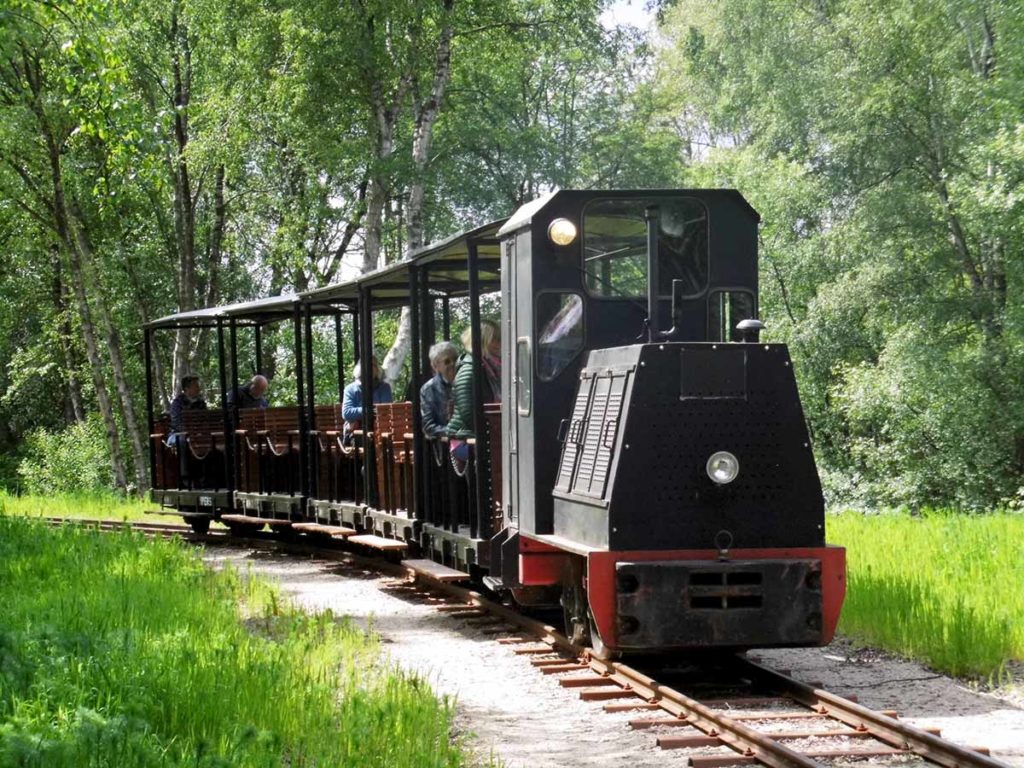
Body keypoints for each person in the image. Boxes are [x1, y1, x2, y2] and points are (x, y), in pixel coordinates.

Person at [446, 319, 501, 465]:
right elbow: (467, 412)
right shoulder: (469, 369)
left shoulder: (492, 367)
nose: (500, 343)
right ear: (483, 341)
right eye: (495, 339)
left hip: (486, 435)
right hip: (465, 440)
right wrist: (493, 431)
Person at [342, 356, 393, 441]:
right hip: (357, 434)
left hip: (381, 432)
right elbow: (346, 413)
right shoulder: (350, 389)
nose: (369, 368)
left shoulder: (384, 388)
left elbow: (386, 411)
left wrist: (362, 413)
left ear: (377, 370)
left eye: (373, 365)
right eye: (365, 365)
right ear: (359, 369)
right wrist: (368, 410)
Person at [420, 341, 458, 438]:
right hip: (445, 445)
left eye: (455, 359)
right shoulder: (429, 389)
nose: (452, 364)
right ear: (435, 366)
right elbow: (428, 427)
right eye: (447, 361)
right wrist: (454, 432)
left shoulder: (467, 382)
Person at [168, 375, 207, 445]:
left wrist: (201, 431)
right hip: (178, 434)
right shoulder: (177, 403)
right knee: (184, 440)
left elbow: (205, 419)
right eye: (195, 386)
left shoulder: (201, 403)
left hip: (199, 433)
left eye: (198, 386)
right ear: (187, 389)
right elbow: (177, 423)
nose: (198, 388)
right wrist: (192, 432)